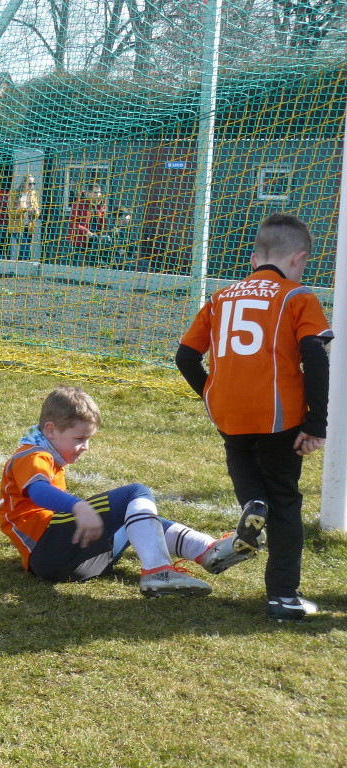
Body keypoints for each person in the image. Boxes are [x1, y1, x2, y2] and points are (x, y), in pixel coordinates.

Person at [176, 212, 333, 621]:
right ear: (299, 258)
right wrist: (317, 423)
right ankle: (283, 597)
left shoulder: (220, 298)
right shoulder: (298, 296)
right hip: (281, 415)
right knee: (285, 500)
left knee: (241, 458)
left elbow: (185, 357)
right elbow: (315, 357)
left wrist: (210, 393)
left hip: (229, 410)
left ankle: (251, 502)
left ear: (253, 259)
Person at [0, 386, 262, 596]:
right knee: (135, 494)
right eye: (79, 438)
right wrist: (77, 506)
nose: (86, 446)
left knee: (138, 518)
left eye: (88, 439)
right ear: (51, 431)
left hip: (72, 565)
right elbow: (38, 491)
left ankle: (208, 550)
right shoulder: (32, 455)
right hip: (47, 551)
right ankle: (158, 571)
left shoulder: (46, 453)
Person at [67, 183, 107, 264]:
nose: (98, 195)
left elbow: (102, 221)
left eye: (99, 192)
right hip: (78, 239)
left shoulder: (101, 204)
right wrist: (86, 232)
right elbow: (74, 223)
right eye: (95, 193)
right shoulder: (79, 203)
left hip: (94, 239)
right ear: (88, 193)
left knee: (92, 262)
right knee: (74, 263)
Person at [7, 175, 40, 261]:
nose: (32, 186)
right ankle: (23, 267)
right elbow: (11, 213)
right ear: (24, 183)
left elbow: (37, 211)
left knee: (23, 252)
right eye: (29, 184)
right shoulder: (15, 194)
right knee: (26, 250)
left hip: (28, 227)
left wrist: (35, 211)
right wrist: (24, 210)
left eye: (33, 184)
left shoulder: (33, 194)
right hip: (17, 227)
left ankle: (19, 268)